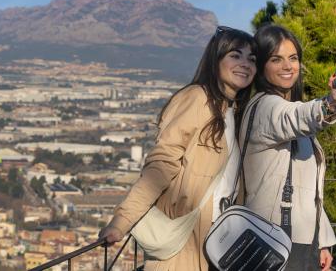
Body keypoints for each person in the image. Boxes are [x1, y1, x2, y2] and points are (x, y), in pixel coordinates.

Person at [99, 26, 257, 270]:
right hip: (185, 245)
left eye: (252, 59)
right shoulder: (197, 98)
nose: (245, 64)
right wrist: (122, 220)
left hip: (218, 244)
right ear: (216, 60)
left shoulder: (234, 111)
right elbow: (162, 164)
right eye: (235, 55)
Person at [241, 24, 336, 271]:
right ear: (261, 65)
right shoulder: (266, 107)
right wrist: (329, 104)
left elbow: (306, 190)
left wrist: (322, 241)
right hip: (274, 239)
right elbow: (297, 116)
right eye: (276, 59)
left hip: (298, 240)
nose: (288, 66)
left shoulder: (286, 108)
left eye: (293, 58)